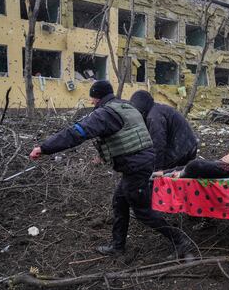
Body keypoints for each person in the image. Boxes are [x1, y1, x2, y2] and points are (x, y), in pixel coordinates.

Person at [29, 80, 192, 258]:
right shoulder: (124, 105)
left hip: (136, 166)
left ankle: (181, 241)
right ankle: (117, 246)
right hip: (139, 163)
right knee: (120, 201)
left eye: (92, 98)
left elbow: (77, 132)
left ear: (98, 98)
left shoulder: (105, 114)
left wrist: (45, 148)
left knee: (143, 211)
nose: (91, 102)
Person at [130, 90, 198, 171]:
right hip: (186, 146)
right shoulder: (157, 110)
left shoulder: (154, 117)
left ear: (142, 111)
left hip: (182, 150)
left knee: (147, 168)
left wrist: (157, 170)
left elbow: (158, 145)